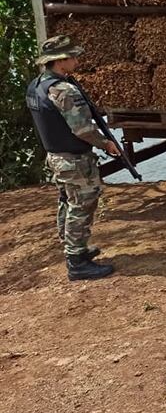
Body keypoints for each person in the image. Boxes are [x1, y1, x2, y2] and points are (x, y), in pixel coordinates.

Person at [25, 35, 119, 281]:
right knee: (82, 205)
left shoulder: (36, 85)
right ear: (60, 61)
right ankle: (76, 262)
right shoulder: (63, 90)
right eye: (73, 57)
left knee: (68, 202)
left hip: (56, 156)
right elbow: (83, 130)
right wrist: (105, 143)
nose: (77, 60)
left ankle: (76, 250)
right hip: (74, 159)